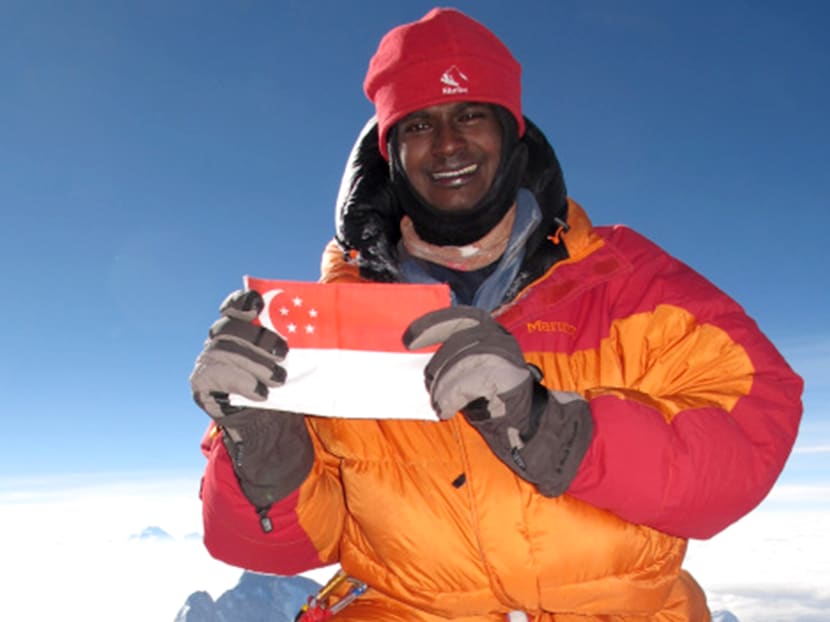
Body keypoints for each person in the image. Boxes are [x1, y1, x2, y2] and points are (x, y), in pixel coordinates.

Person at [190, 8, 803, 621]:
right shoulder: (328, 325)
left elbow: (749, 440)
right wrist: (260, 443)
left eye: (471, 114)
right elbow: (275, 547)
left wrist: (551, 428)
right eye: (418, 124)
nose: (448, 143)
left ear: (512, 132)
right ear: (391, 151)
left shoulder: (620, 277)